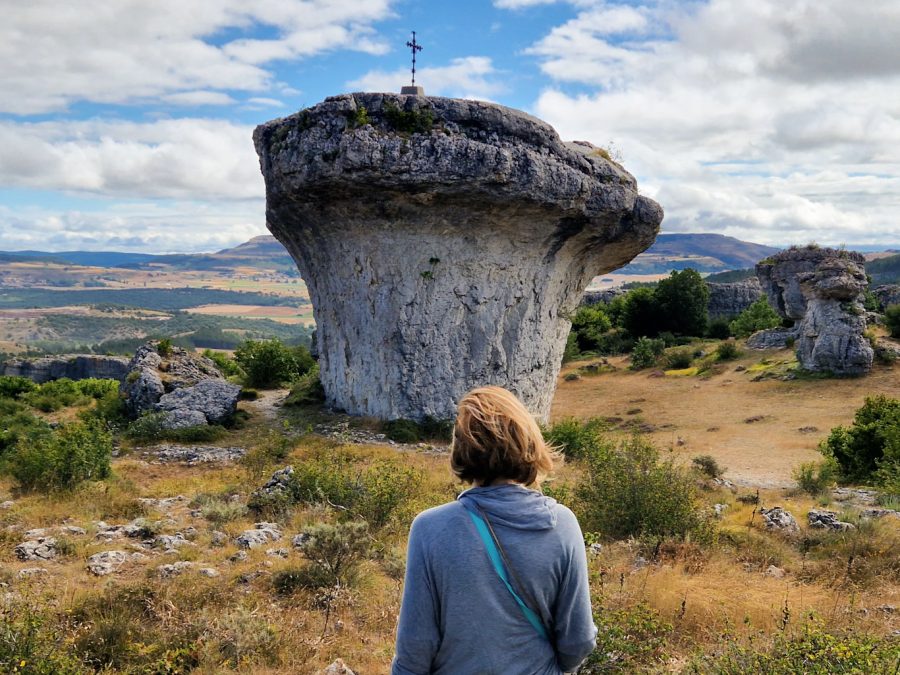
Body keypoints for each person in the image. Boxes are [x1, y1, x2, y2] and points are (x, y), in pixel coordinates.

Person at [392, 386, 597, 674]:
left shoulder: (430, 528)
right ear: (528, 441)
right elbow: (579, 640)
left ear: (461, 448)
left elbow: (416, 647)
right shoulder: (563, 524)